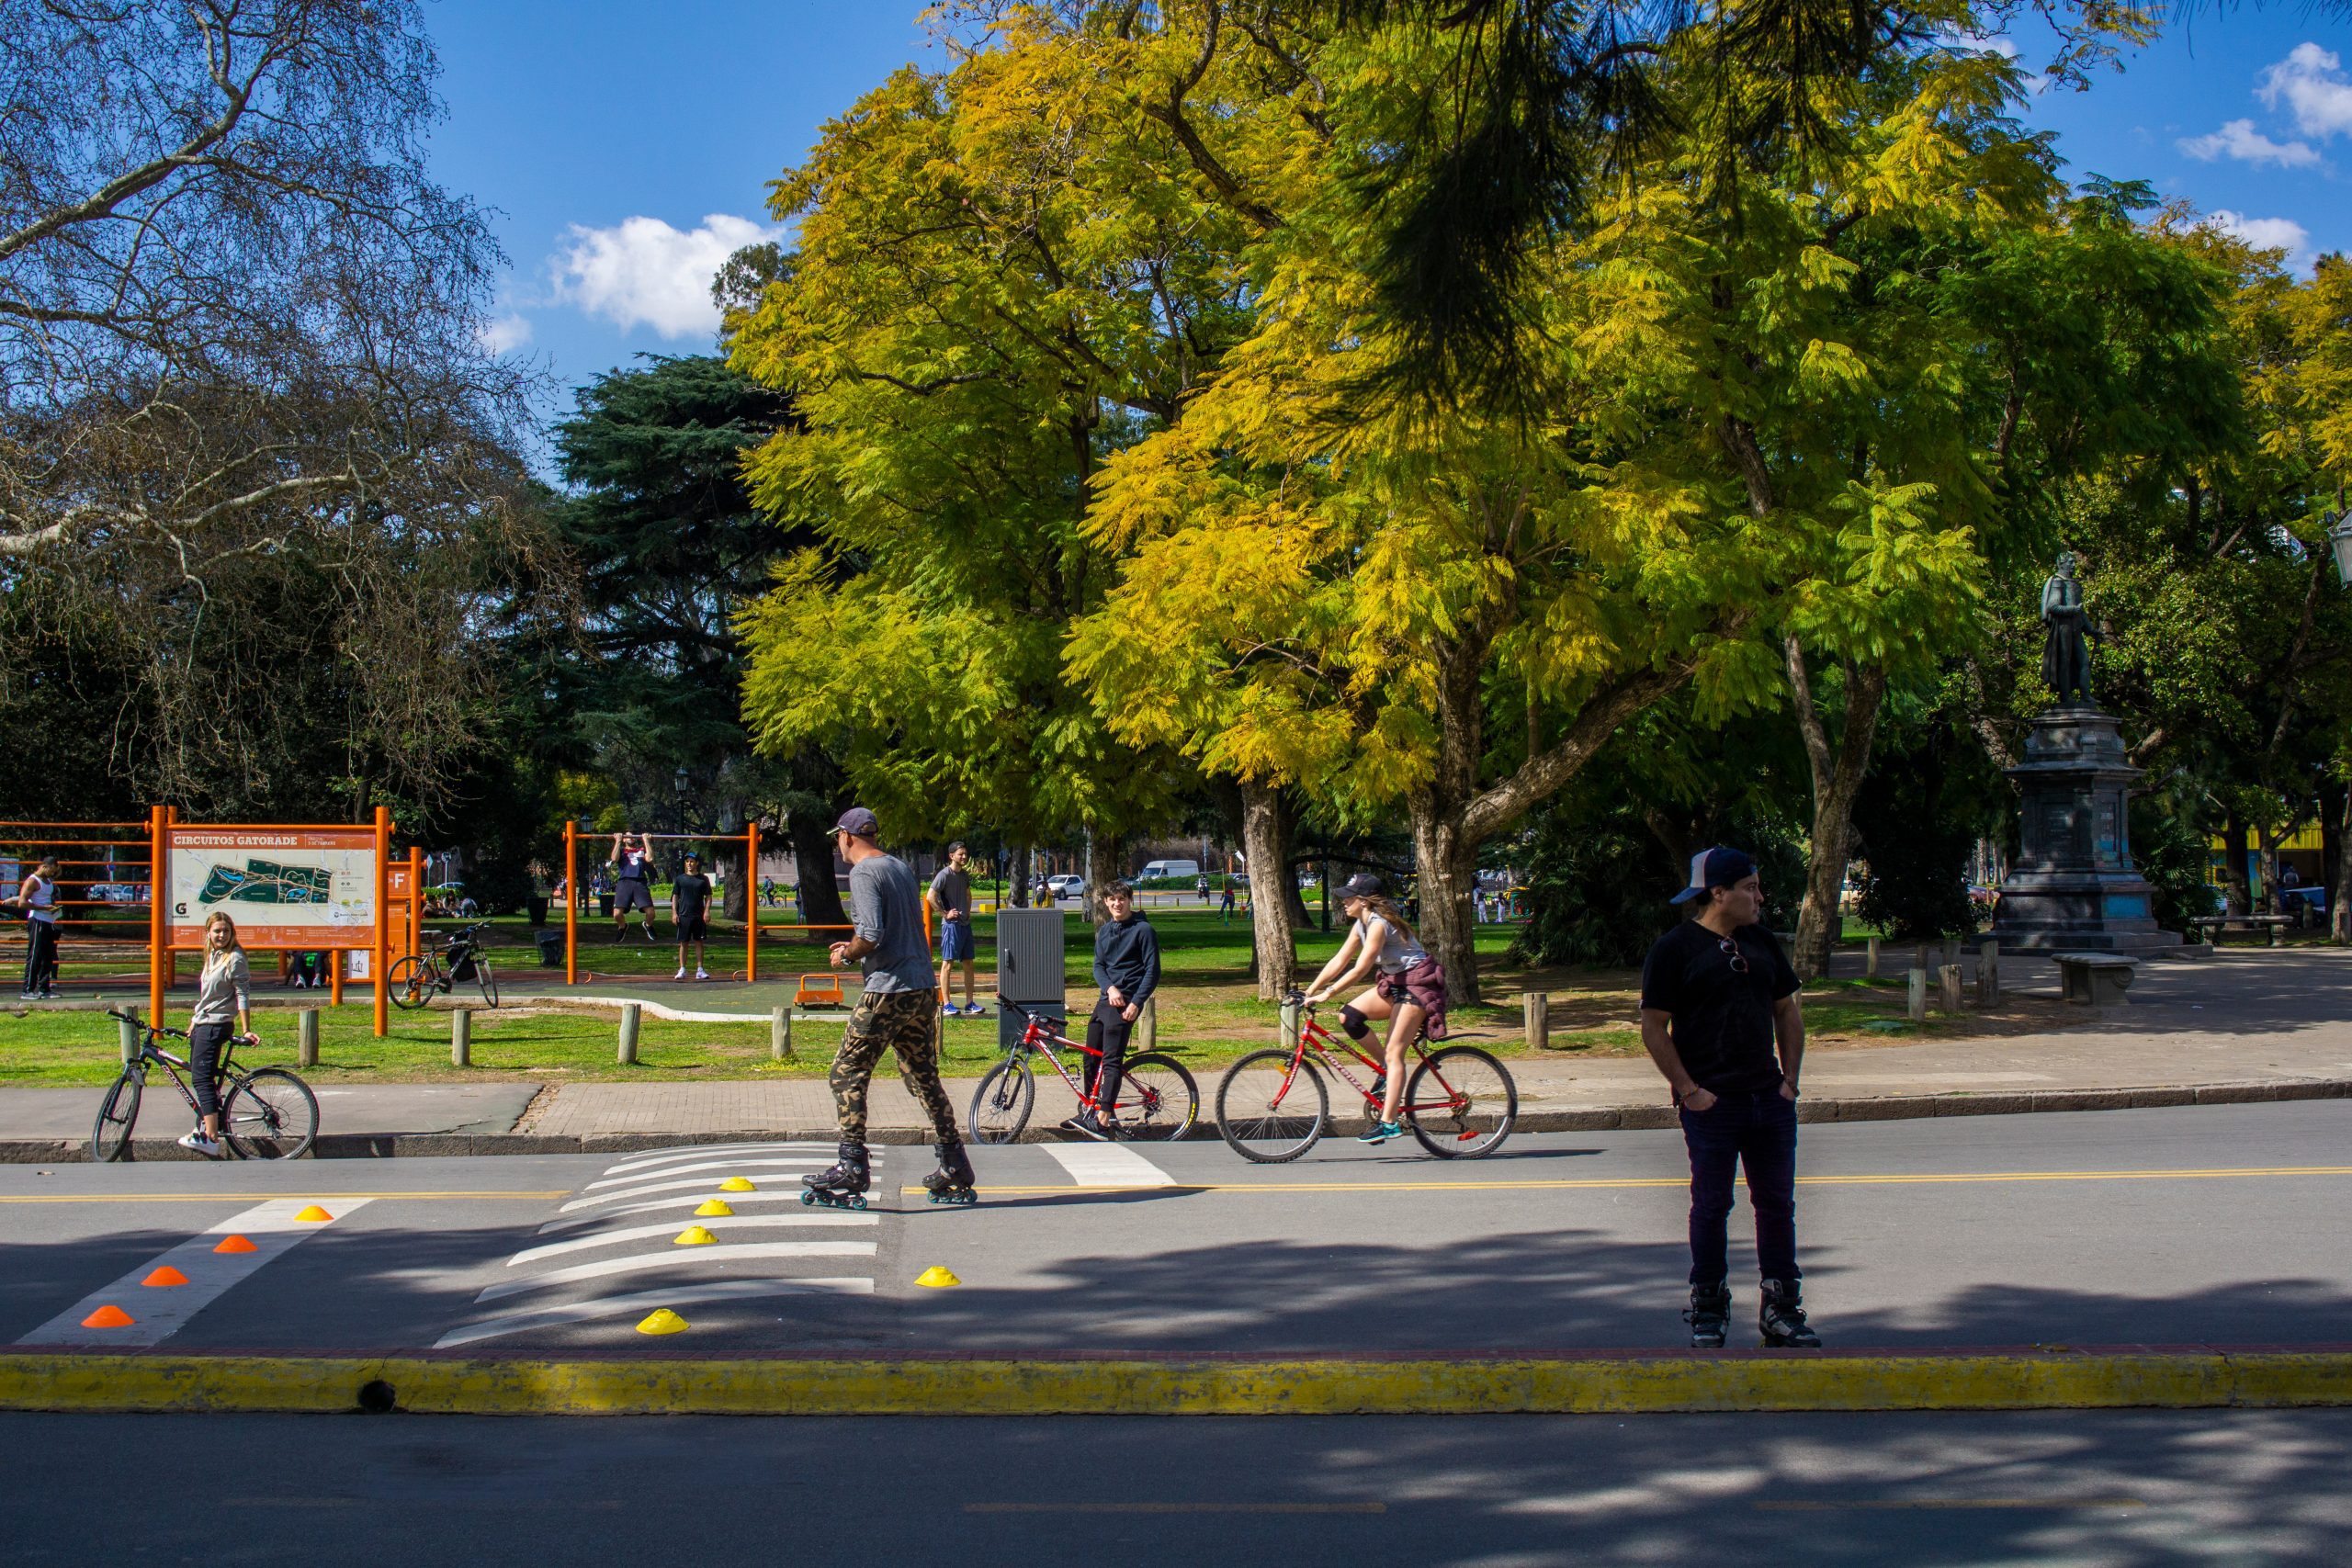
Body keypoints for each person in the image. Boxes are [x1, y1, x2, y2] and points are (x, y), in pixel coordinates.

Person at [1637, 846, 1818, 1350]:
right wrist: (1690, 1090)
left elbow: (1786, 1011)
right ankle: (1709, 1307)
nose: (1760, 896)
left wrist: (1790, 1083)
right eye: (1751, 888)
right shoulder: (1674, 949)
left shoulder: (1761, 942)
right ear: (1718, 893)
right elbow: (1653, 1028)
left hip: (1769, 1099)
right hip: (1713, 1105)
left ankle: (1782, 1308)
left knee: (1777, 1205)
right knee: (1712, 1205)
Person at [803, 808, 976, 1207]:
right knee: (923, 1077)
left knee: (845, 1073)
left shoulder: (863, 873)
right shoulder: (898, 866)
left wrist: (846, 954)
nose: (838, 845)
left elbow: (872, 934)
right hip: (921, 988)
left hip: (888, 990)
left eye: (837, 838)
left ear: (846, 836)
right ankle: (954, 1161)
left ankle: (852, 1164)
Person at [1303, 873, 1448, 1144]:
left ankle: (1390, 1123)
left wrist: (1328, 993)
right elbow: (1340, 959)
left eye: (1349, 897)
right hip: (1395, 982)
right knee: (1349, 1017)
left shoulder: (1379, 925)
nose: (1344, 902)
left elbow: (1361, 968)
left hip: (1417, 985)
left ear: (1364, 901)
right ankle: (1385, 1070)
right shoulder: (1361, 923)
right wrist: (1309, 991)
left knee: (1395, 1054)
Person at [1068, 880, 1159, 1139]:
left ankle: (1104, 1117)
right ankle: (1090, 1109)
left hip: (1127, 1002)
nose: (1117, 904)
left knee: (1110, 1061)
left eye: (1122, 899)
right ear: (1106, 903)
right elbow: (1099, 967)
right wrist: (1109, 988)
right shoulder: (1105, 931)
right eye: (1112, 900)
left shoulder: (1143, 931)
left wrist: (1136, 1003)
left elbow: (1153, 971)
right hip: (1106, 1000)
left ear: (1130, 900)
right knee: (1090, 1058)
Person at [180, 911, 256, 1157]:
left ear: (232, 933)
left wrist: (246, 1028)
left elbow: (241, 994)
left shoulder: (235, 958)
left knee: (201, 1080)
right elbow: (207, 997)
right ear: (208, 933)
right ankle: (205, 1125)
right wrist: (194, 1020)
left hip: (217, 1024)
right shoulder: (213, 955)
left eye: (226, 931)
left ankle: (211, 1138)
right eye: (217, 931)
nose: (221, 935)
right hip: (203, 1023)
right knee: (203, 1075)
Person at [928, 841, 982, 1017]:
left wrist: (967, 912)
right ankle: (947, 1004)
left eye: (965, 854)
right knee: (948, 964)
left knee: (968, 963)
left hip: (965, 925)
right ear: (952, 856)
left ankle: (969, 1003)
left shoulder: (964, 875)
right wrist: (945, 913)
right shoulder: (944, 875)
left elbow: (968, 894)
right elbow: (930, 896)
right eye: (961, 854)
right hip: (951, 926)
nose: (964, 857)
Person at [17, 855, 61, 999]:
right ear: (44, 866)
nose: (52, 873)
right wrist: (43, 908)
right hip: (37, 920)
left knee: (48, 956)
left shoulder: (48, 881)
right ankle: (27, 989)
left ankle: (44, 988)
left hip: (48, 921)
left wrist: (53, 909)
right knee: (35, 955)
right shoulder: (32, 881)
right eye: (51, 870)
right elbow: (22, 903)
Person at [608, 831, 658, 942]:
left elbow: (649, 859)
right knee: (617, 914)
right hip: (624, 882)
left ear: (635, 839)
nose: (630, 837)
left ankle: (648, 925)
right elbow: (614, 859)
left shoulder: (641, 850)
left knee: (651, 913)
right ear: (624, 840)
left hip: (640, 882)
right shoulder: (621, 851)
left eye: (632, 836)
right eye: (627, 836)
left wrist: (646, 840)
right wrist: (618, 841)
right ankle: (622, 926)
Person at [671, 852, 713, 980]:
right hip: (684, 915)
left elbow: (709, 897)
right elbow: (675, 896)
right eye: (687, 861)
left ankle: (700, 970)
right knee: (684, 942)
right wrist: (674, 912)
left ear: (697, 863)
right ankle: (682, 969)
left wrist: (706, 911)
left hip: (698, 916)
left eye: (692, 861)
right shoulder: (680, 879)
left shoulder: (703, 879)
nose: (689, 864)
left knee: (699, 941)